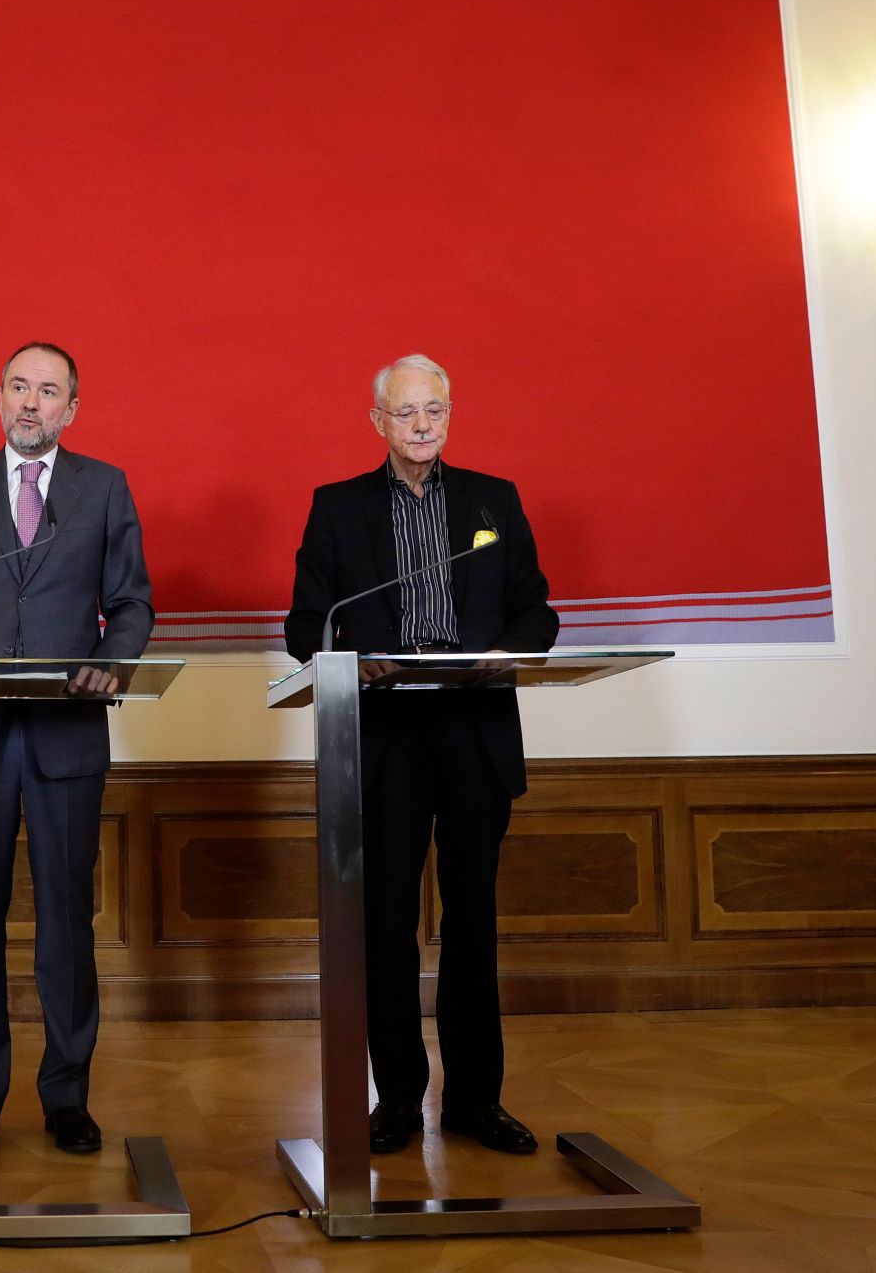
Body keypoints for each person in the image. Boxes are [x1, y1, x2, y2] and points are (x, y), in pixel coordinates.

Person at [284, 353, 557, 1156]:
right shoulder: (337, 509)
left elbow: (536, 610)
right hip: (386, 737)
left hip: (474, 731)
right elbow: (307, 624)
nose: (422, 424)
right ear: (378, 421)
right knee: (387, 928)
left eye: (434, 409)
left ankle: (475, 1100)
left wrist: (508, 650)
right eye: (406, 412)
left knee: (474, 924)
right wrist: (351, 658)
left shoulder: (492, 500)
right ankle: (397, 1097)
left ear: (449, 414)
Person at [0, 343, 153, 1156]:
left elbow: (131, 603)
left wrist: (110, 665)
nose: (32, 403)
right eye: (20, 387)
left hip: (66, 736)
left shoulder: (104, 487)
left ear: (72, 408)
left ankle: (66, 1095)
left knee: (66, 926)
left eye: (49, 391)